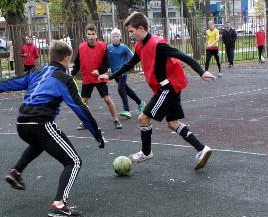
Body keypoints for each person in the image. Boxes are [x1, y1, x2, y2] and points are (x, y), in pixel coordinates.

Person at [0, 40, 105, 217]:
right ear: (67, 58)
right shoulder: (64, 78)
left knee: (41, 143)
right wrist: (97, 133)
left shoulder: (36, 71)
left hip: (22, 124)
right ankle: (59, 205)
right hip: (40, 123)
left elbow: (8, 83)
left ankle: (16, 171)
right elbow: (79, 107)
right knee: (74, 161)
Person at [99, 11, 216, 170]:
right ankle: (202, 149)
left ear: (141, 28)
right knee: (172, 123)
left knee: (143, 118)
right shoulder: (140, 46)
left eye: (131, 31)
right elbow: (129, 65)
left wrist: (201, 72)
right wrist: (110, 77)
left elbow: (182, 56)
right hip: (169, 88)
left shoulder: (158, 44)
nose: (131, 35)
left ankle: (146, 152)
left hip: (167, 88)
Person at [72, 24, 121, 129]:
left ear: (96, 34)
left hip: (100, 78)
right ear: (86, 35)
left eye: (93, 34)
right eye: (89, 34)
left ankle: (116, 119)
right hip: (87, 79)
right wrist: (71, 75)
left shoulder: (103, 46)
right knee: (84, 102)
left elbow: (106, 63)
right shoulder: (81, 47)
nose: (90, 36)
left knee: (107, 99)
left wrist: (99, 71)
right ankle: (85, 122)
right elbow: (77, 63)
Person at [106, 28, 145, 119]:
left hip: (123, 72)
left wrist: (127, 65)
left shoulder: (124, 47)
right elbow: (104, 59)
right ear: (111, 38)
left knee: (121, 89)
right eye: (113, 36)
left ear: (120, 37)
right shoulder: (108, 48)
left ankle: (127, 110)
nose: (115, 38)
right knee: (127, 89)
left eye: (117, 36)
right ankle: (140, 102)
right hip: (114, 74)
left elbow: (133, 56)